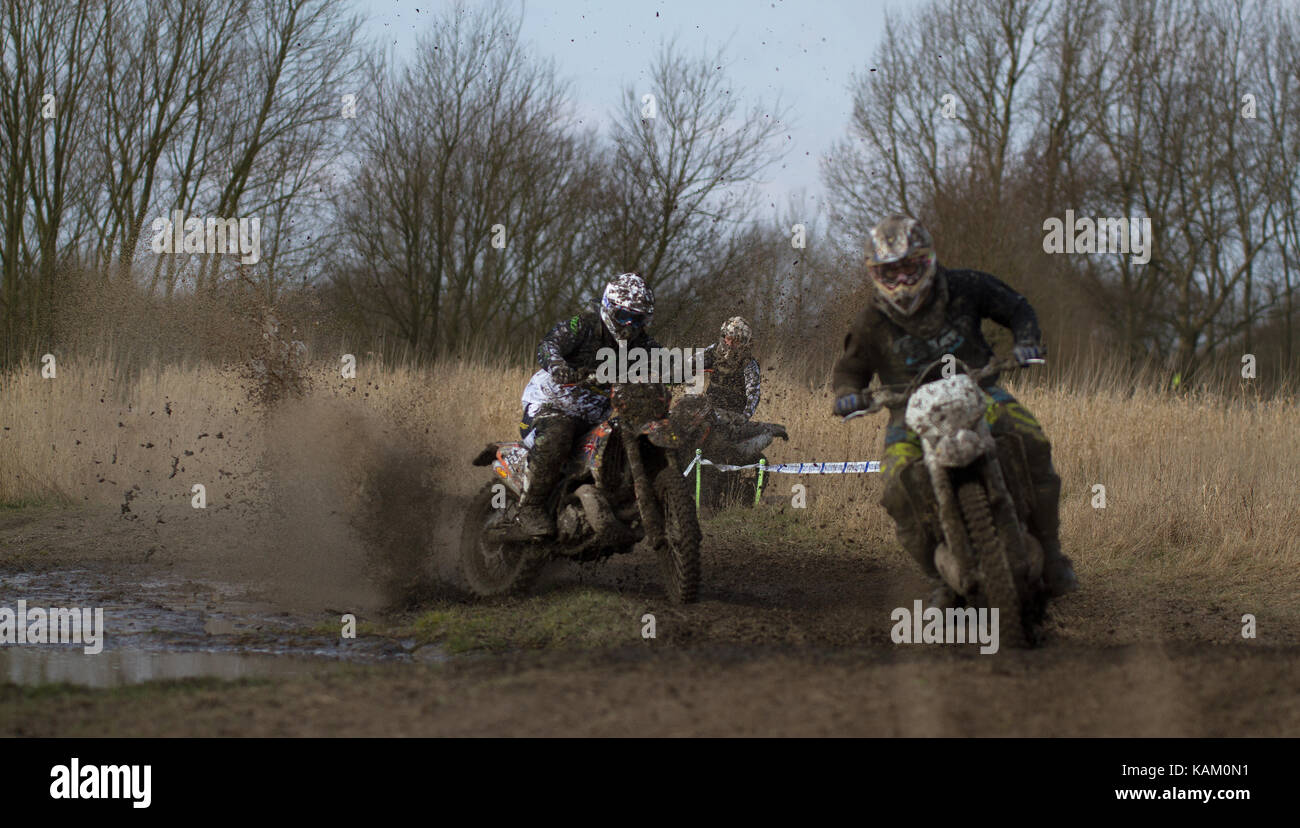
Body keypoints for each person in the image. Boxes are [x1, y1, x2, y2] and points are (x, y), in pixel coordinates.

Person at [830, 214, 1078, 608]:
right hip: (908, 416)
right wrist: (847, 394)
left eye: (909, 268)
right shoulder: (870, 322)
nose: (901, 281)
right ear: (875, 273)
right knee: (896, 490)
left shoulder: (965, 286)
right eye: (889, 272)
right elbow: (849, 370)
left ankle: (1051, 552)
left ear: (927, 261)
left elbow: (1017, 308)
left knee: (1032, 440)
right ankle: (941, 577)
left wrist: (1027, 341)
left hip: (980, 392)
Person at [514, 272, 660, 537]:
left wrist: (700, 362)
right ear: (608, 308)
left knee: (632, 434)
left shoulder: (642, 343)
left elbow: (667, 361)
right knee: (560, 434)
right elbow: (549, 345)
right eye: (624, 316)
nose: (630, 325)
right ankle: (530, 508)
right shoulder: (583, 325)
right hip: (551, 404)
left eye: (637, 319)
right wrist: (558, 366)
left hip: (595, 415)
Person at [695, 316, 762, 427]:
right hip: (709, 408)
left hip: (732, 415)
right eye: (728, 338)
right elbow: (692, 361)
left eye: (736, 341)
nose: (730, 344)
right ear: (724, 336)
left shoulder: (749, 364)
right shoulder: (715, 350)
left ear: (744, 343)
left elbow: (753, 393)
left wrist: (744, 416)